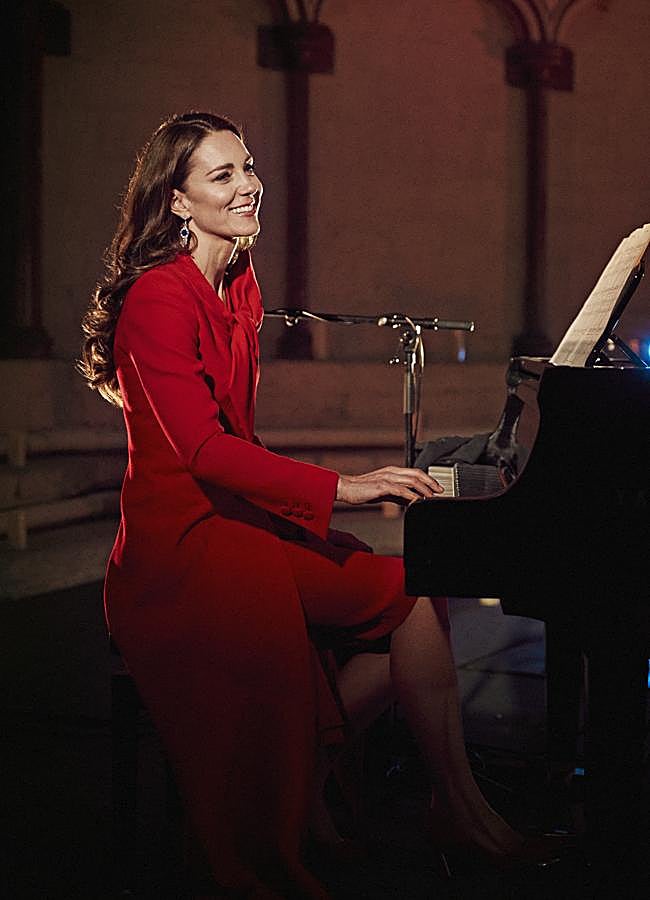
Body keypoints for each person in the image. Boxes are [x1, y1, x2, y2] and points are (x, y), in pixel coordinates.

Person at [80, 112, 549, 899]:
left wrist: (308, 506)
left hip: (235, 523)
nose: (249, 184)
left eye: (248, 166)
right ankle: (307, 787)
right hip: (180, 549)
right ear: (178, 201)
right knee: (391, 597)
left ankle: (452, 809)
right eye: (222, 174)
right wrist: (345, 487)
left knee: (410, 597)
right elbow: (201, 450)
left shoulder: (238, 286)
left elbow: (236, 441)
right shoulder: (159, 299)